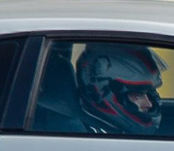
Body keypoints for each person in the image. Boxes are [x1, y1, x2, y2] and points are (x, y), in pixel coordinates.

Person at [32, 40, 164, 136]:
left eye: (149, 93)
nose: (148, 103)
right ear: (102, 91)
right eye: (137, 95)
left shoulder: (106, 128)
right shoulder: (78, 135)